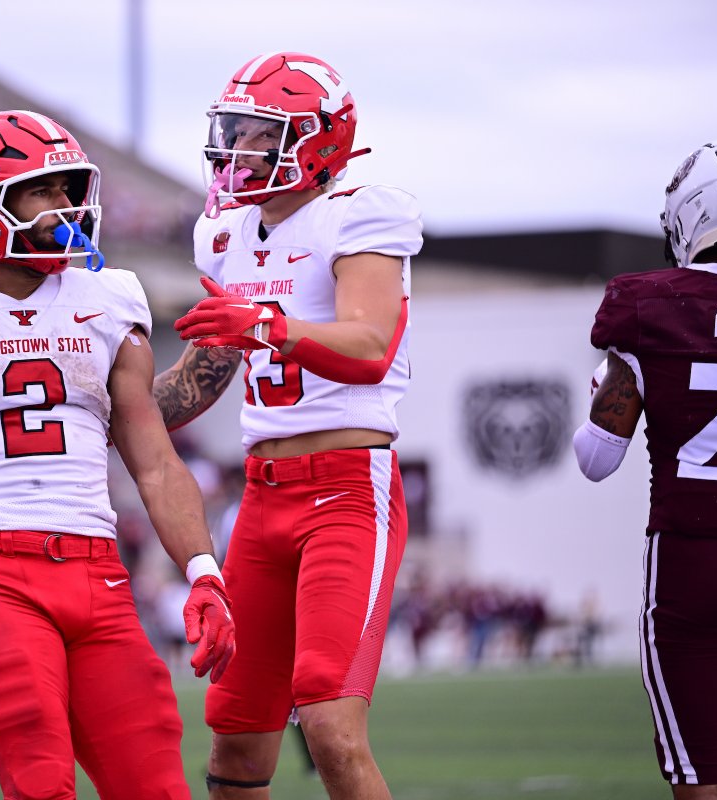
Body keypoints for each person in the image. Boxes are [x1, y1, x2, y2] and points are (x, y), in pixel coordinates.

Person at [0, 109, 236, 799]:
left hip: (99, 574)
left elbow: (152, 459)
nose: (67, 206)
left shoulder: (108, 299)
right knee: (40, 782)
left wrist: (204, 571)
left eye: (70, 188)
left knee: (157, 785)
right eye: (44, 190)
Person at [153, 52, 422, 799]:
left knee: (331, 726)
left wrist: (265, 323)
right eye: (232, 131)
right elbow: (200, 379)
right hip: (262, 499)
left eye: (256, 133)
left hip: (346, 491)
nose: (235, 150)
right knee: (235, 745)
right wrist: (107, 410)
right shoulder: (227, 235)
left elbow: (369, 347)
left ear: (316, 139)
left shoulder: (362, 213)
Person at [575, 138, 717, 799]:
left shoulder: (649, 306)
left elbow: (595, 460)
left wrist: (607, 389)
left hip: (690, 561)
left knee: (698, 779)